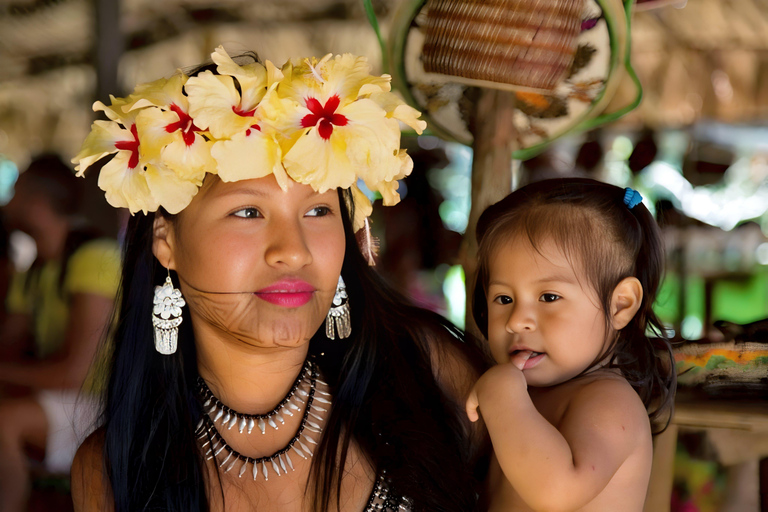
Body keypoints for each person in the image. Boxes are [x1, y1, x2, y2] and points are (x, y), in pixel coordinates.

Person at [70, 47, 486, 512]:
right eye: (248, 211)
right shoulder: (115, 470)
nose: (293, 250)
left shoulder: (428, 372)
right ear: (165, 242)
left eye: (317, 210)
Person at [466, 178, 676, 511]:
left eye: (549, 297)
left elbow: (556, 492)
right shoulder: (527, 391)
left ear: (620, 305)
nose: (516, 320)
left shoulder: (610, 402)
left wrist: (502, 394)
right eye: (503, 298)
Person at [0, 154, 120, 512]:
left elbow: (77, 374)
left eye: (15, 193)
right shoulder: (36, 269)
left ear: (37, 204)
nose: (7, 203)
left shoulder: (95, 256)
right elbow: (10, 345)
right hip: (62, 396)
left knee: (5, 421)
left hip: (104, 405)